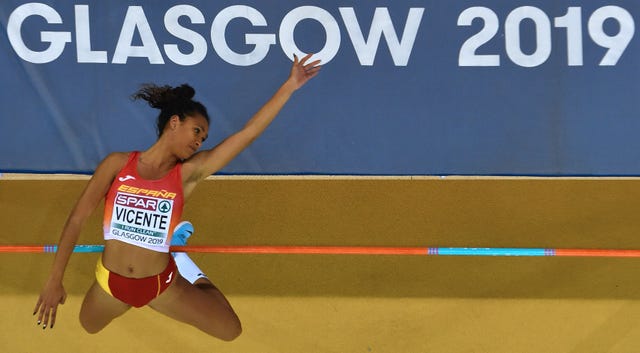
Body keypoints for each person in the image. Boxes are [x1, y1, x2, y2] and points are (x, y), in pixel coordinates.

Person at [33, 53, 321, 340]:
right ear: (174, 123)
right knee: (89, 325)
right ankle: (174, 242)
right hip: (111, 283)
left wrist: (290, 86)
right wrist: (54, 280)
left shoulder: (188, 174)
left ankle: (181, 257)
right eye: (196, 131)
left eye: (204, 138)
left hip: (160, 285)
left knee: (230, 330)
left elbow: (247, 135)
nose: (199, 141)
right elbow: (77, 219)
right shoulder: (117, 164)